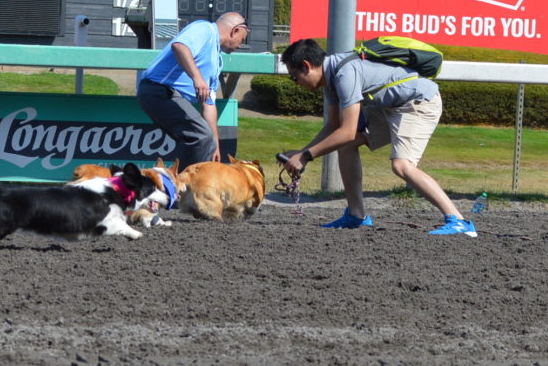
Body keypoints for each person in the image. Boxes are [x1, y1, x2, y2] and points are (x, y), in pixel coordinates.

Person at [276, 38, 476, 237]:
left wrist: (306, 156)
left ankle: (459, 221)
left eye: (294, 77)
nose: (297, 84)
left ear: (307, 66)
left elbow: (346, 132)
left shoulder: (345, 73)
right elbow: (333, 127)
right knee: (346, 146)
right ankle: (356, 215)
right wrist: (302, 153)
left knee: (402, 165)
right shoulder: (331, 77)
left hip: (418, 102)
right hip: (392, 106)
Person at [135, 12, 251, 169]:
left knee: (206, 141)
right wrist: (197, 78)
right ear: (235, 30)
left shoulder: (216, 61)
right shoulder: (205, 29)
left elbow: (208, 105)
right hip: (158, 90)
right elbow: (180, 46)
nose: (240, 46)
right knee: (200, 136)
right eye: (241, 40)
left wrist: (215, 144)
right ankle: (182, 181)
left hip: (170, 96)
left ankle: (183, 180)